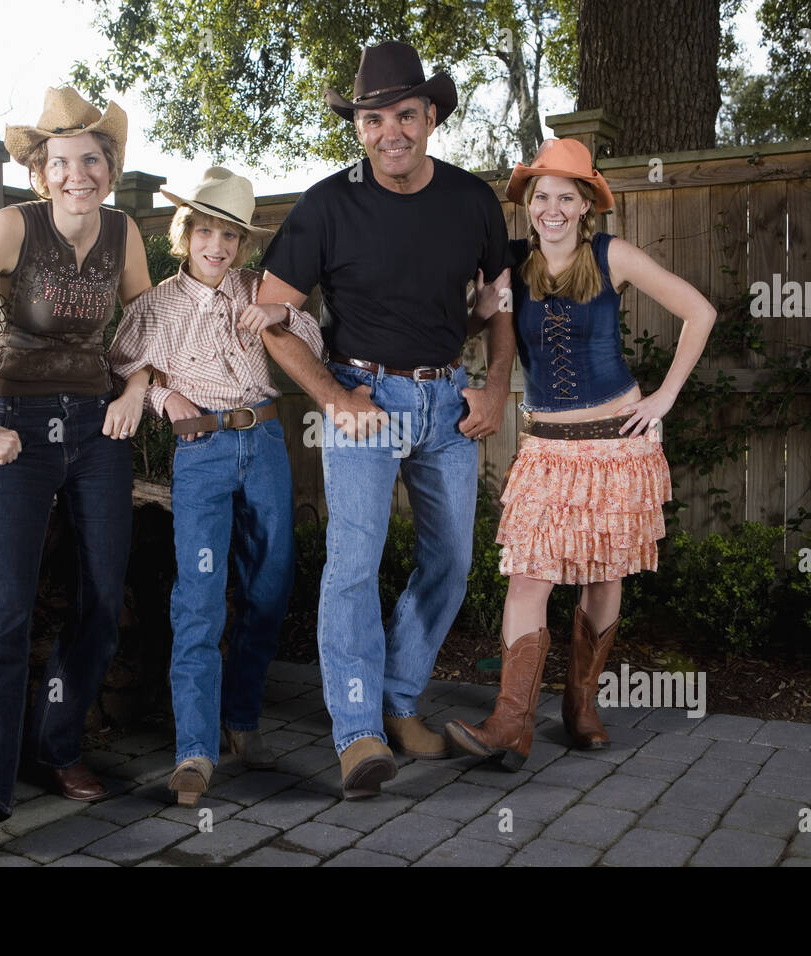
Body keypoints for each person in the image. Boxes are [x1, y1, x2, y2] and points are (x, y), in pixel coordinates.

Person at [255, 41, 515, 799]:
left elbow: (500, 304)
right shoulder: (328, 203)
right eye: (374, 119)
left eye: (406, 113)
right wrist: (335, 400)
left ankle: (399, 700)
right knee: (353, 564)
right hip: (362, 400)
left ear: (430, 116)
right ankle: (358, 731)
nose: (390, 131)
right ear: (360, 127)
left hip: (446, 402)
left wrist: (497, 387)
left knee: (453, 560)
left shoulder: (471, 201)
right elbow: (269, 317)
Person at [0, 87, 152, 849]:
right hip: (13, 424)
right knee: (5, 612)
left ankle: (57, 747)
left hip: (97, 427)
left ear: (110, 167)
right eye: (62, 162)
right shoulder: (10, 227)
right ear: (40, 172)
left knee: (103, 599)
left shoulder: (125, 233)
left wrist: (138, 389)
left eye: (92, 159)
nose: (78, 173)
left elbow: (150, 329)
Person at [444, 137, 716, 769]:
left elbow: (699, 312)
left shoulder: (610, 254)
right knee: (527, 578)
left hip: (617, 448)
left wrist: (665, 397)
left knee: (601, 579)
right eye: (543, 196)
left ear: (586, 204)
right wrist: (475, 313)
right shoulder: (511, 264)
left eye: (567, 196)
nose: (553, 208)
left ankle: (580, 706)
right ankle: (510, 722)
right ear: (529, 204)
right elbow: (458, 327)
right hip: (546, 449)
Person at [107, 167, 324, 807]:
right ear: (185, 233)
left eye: (229, 236)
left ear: (241, 243)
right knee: (198, 596)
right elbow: (122, 364)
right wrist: (163, 393)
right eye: (205, 232)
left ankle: (242, 716)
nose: (217, 246)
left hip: (263, 443)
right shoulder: (154, 307)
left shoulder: (255, 290)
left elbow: (311, 337)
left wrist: (281, 311)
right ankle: (194, 751)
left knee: (270, 583)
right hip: (200, 450)